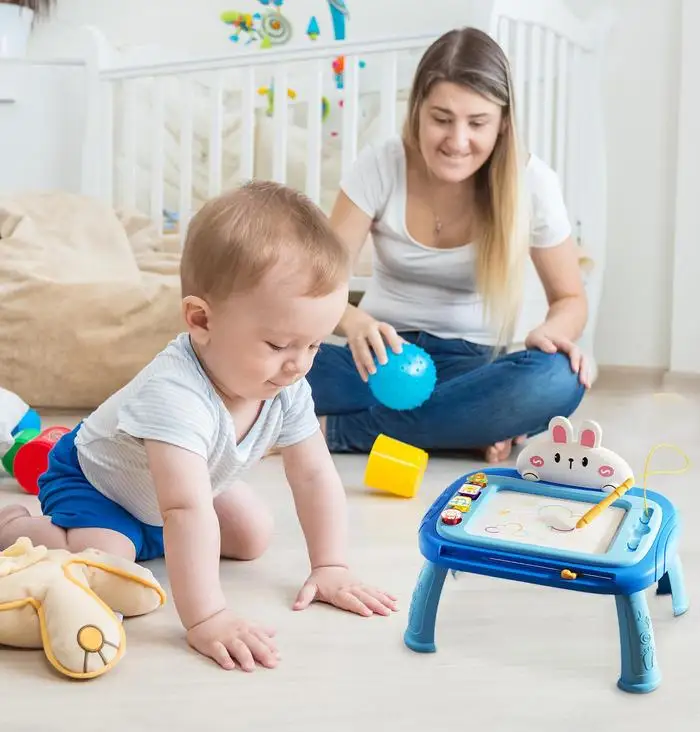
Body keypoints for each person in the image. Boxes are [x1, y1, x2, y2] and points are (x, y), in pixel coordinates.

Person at [0, 181, 397, 672]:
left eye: (314, 345)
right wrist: (207, 616)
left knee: (252, 535)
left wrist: (331, 566)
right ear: (200, 319)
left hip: (181, 487)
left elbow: (315, 476)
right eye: (278, 345)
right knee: (107, 558)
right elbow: (185, 510)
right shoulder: (174, 394)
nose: (299, 365)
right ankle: (19, 523)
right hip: (98, 484)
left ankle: (151, 538)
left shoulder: (286, 384)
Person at [307, 27, 591, 463]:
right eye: (441, 119)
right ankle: (459, 429)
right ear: (417, 110)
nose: (457, 142)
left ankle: (339, 431)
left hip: (472, 369)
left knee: (557, 379)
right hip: (380, 359)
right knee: (269, 362)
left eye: (477, 123)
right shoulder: (381, 165)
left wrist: (552, 333)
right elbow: (317, 285)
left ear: (502, 124)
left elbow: (571, 298)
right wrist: (354, 321)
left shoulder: (533, 183)